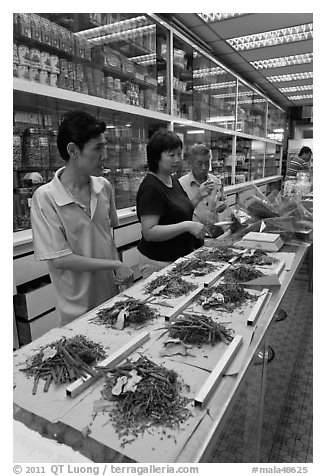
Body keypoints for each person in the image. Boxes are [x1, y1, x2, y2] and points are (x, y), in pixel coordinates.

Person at [31, 110, 133, 326]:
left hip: (111, 300)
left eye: (104, 146)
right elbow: (60, 259)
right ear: (72, 150)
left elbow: (108, 237)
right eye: (98, 148)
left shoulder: (103, 187)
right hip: (76, 311)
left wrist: (120, 274)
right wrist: (113, 263)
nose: (104, 155)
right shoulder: (46, 198)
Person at [136, 130, 205, 278]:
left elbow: (180, 212)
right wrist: (187, 226)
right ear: (156, 157)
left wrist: (199, 196)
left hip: (178, 258)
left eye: (179, 154)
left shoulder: (172, 179)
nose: (177, 159)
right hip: (158, 262)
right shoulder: (151, 187)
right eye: (171, 155)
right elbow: (149, 232)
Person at [179, 143, 227, 240]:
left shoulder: (216, 181)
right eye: (199, 163)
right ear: (190, 163)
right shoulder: (181, 184)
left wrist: (223, 205)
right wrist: (198, 196)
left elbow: (221, 202)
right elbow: (180, 214)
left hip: (215, 234)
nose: (204, 168)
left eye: (207, 163)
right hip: (193, 237)